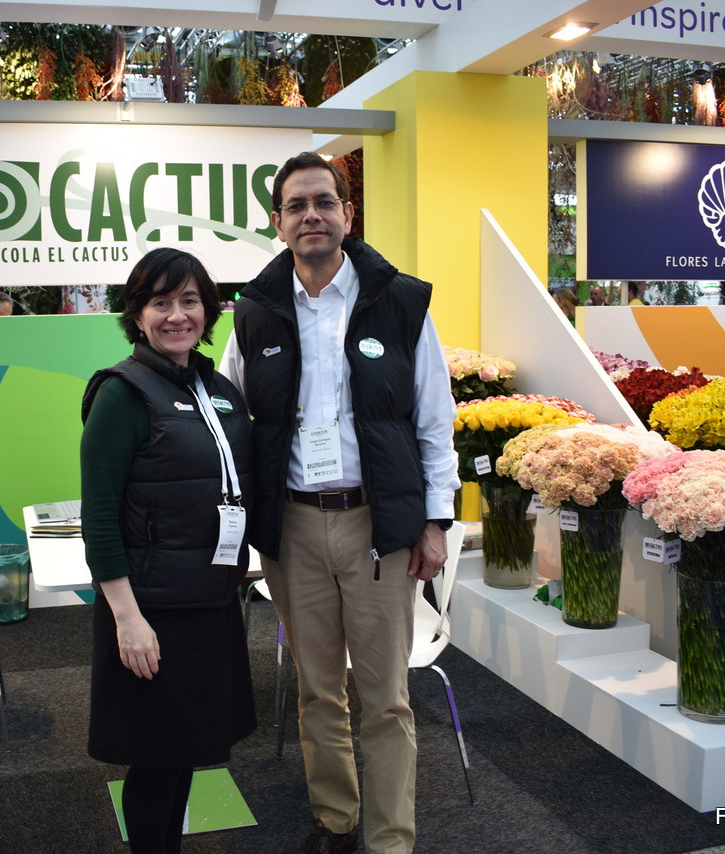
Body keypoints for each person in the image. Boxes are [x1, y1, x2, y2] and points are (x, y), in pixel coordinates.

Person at [221, 151, 459, 854]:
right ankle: (335, 821)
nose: (311, 216)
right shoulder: (255, 312)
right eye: (296, 206)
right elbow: (232, 418)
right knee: (318, 691)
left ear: (348, 214)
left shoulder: (401, 302)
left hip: (377, 528)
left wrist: (435, 522)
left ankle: (390, 841)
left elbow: (434, 420)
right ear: (277, 222)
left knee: (385, 699)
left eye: (323, 202)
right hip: (292, 528)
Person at [80, 248, 256, 854]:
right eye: (161, 302)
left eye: (189, 301)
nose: (177, 315)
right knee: (155, 762)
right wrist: (127, 619)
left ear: (208, 311)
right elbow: (99, 517)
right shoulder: (121, 393)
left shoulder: (218, 388)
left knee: (184, 753)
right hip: (151, 612)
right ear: (137, 314)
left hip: (209, 602)